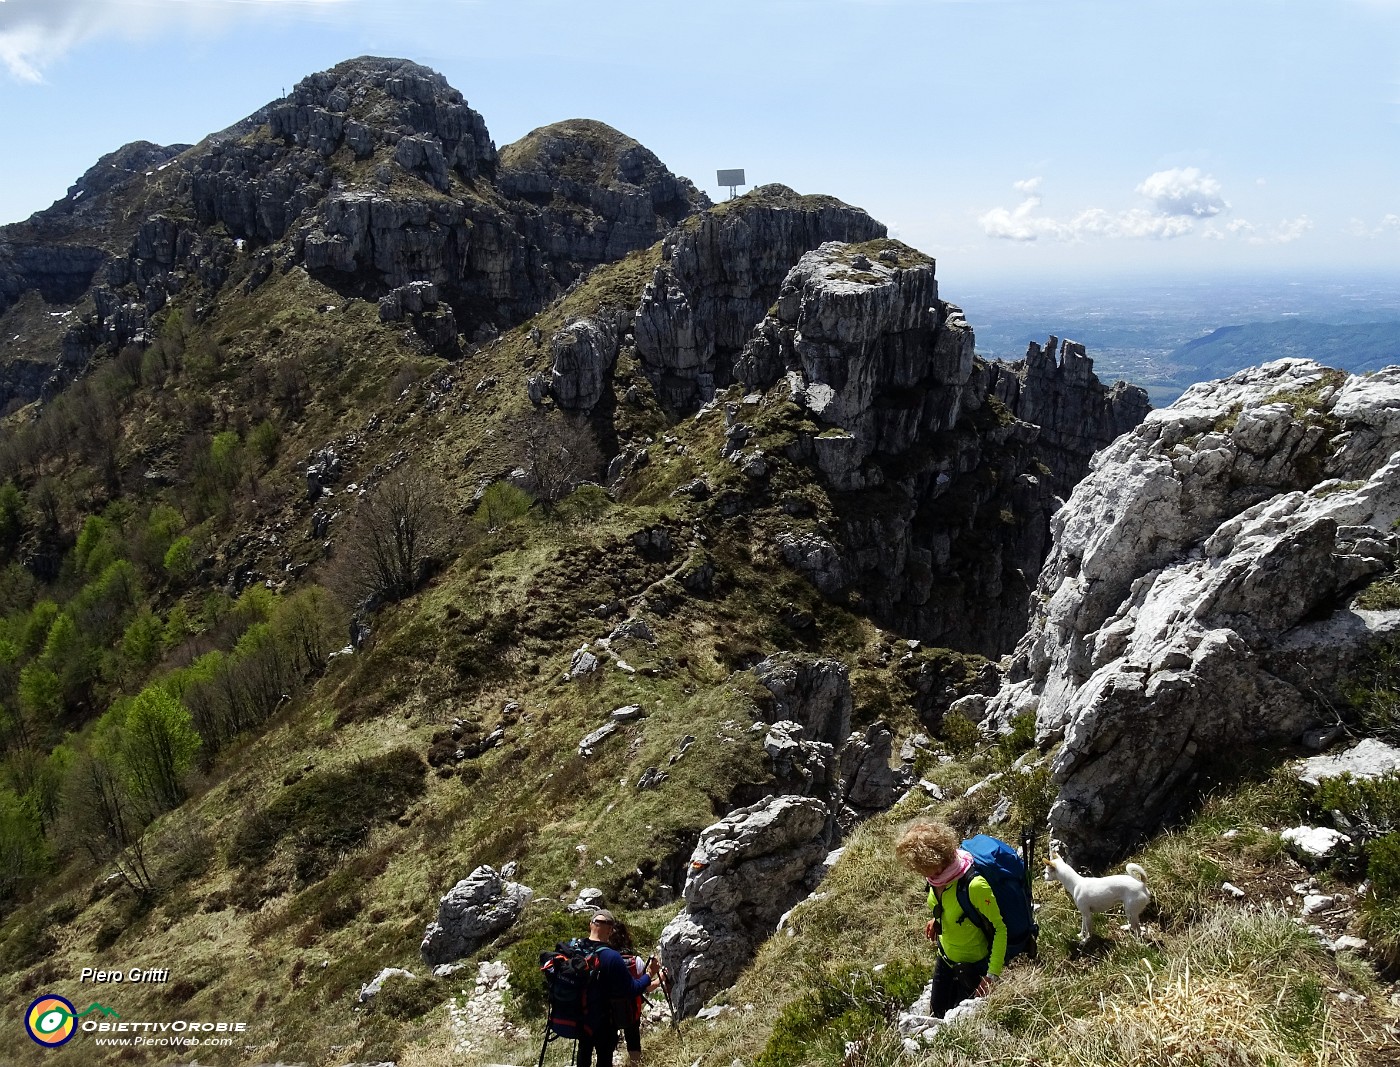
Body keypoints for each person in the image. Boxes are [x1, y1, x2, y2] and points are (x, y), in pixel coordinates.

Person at [895, 820, 1007, 1017]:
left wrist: (991, 976)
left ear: (939, 859)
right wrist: (937, 921)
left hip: (974, 967)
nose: (921, 872)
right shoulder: (935, 878)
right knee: (937, 1015)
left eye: (923, 867)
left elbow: (1000, 929)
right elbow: (947, 905)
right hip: (945, 958)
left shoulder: (974, 886)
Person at [577, 910, 659, 1067]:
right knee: (604, 1056)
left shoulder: (576, 948)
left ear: (590, 925)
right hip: (604, 1019)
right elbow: (632, 989)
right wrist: (650, 974)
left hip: (581, 1015)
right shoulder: (612, 957)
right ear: (609, 929)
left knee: (584, 1052)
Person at [604, 917, 647, 1064]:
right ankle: (635, 1063)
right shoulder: (637, 962)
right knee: (633, 1037)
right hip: (631, 1011)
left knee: (608, 1043)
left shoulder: (603, 960)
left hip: (608, 1012)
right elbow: (643, 986)